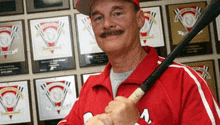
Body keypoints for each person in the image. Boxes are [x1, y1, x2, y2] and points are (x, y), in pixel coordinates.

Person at [58, 0, 220, 124]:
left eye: (117, 14)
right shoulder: (91, 87)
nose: (107, 24)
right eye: (98, 17)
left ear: (140, 19)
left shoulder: (184, 81)